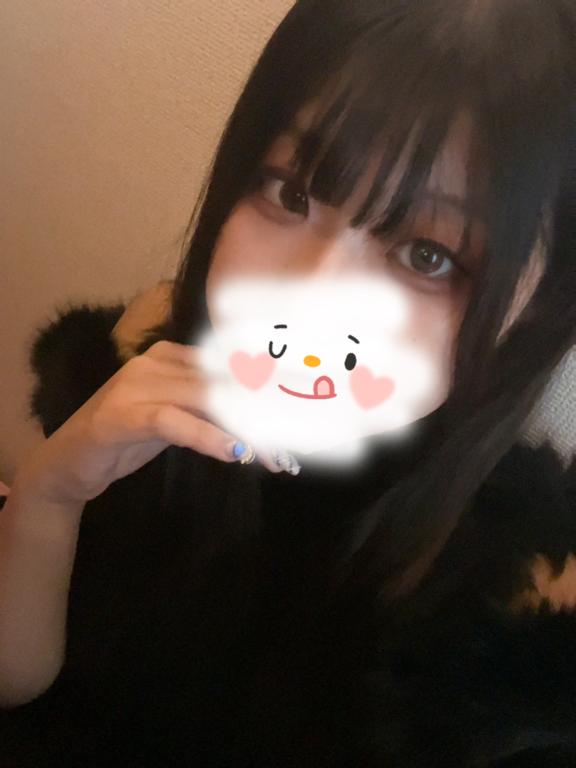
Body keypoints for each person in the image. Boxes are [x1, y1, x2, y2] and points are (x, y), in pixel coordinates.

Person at [2, 0, 576, 765]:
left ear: (538, 308)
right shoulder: (143, 369)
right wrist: (51, 491)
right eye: (290, 192)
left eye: (428, 255)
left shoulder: (527, 599)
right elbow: (19, 689)